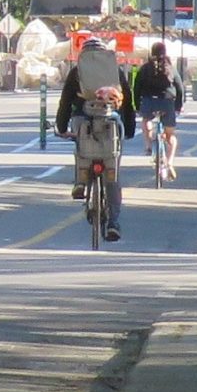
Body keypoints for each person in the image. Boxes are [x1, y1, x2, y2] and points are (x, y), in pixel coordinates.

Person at [55, 37, 136, 242]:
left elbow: (65, 101)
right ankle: (113, 222)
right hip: (111, 125)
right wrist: (129, 130)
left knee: (81, 150)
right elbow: (127, 102)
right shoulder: (114, 71)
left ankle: (81, 181)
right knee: (113, 175)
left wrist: (62, 127)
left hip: (83, 121)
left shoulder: (76, 72)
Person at [133, 41, 184, 179]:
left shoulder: (144, 69)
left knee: (146, 120)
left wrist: (137, 106)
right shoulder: (171, 68)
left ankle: (149, 145)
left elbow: (136, 88)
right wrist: (178, 106)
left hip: (149, 101)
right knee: (170, 136)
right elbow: (180, 88)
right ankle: (170, 162)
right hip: (167, 102)